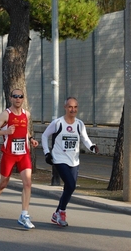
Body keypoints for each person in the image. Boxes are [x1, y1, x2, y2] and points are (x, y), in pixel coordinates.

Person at [41, 97, 99, 227]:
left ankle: (56, 213)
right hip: (59, 159)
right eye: (70, 107)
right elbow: (44, 136)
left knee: (69, 188)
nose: (73, 110)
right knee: (71, 185)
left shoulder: (79, 124)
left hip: (74, 160)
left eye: (75, 107)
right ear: (65, 107)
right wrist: (46, 153)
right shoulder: (58, 123)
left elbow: (85, 139)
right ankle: (62, 212)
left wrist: (92, 147)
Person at [0, 89, 39, 229]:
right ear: (10, 98)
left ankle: (24, 215)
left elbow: (25, 129)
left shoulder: (26, 114)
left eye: (20, 96)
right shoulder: (5, 114)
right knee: (3, 183)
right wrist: (5, 131)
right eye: (15, 96)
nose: (18, 99)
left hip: (23, 154)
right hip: (9, 154)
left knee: (27, 183)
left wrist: (31, 139)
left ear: (23, 98)